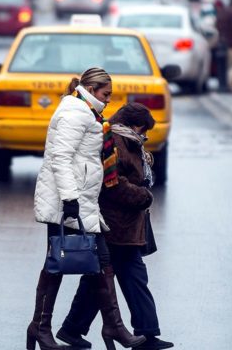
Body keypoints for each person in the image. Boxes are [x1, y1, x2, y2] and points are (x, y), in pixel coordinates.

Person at [27, 67, 146, 350]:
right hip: (69, 203)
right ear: (91, 90)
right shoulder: (73, 112)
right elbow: (61, 158)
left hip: (83, 203)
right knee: (57, 265)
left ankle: (113, 327)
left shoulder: (87, 112)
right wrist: (70, 199)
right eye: (106, 95)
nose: (108, 101)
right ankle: (41, 327)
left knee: (102, 263)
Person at [56, 103, 174, 350]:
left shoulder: (129, 141)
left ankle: (72, 330)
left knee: (100, 281)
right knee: (124, 278)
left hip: (126, 225)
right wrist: (144, 196)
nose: (143, 135)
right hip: (116, 225)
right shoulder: (113, 141)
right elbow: (113, 183)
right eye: (142, 130)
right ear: (131, 125)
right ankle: (146, 335)